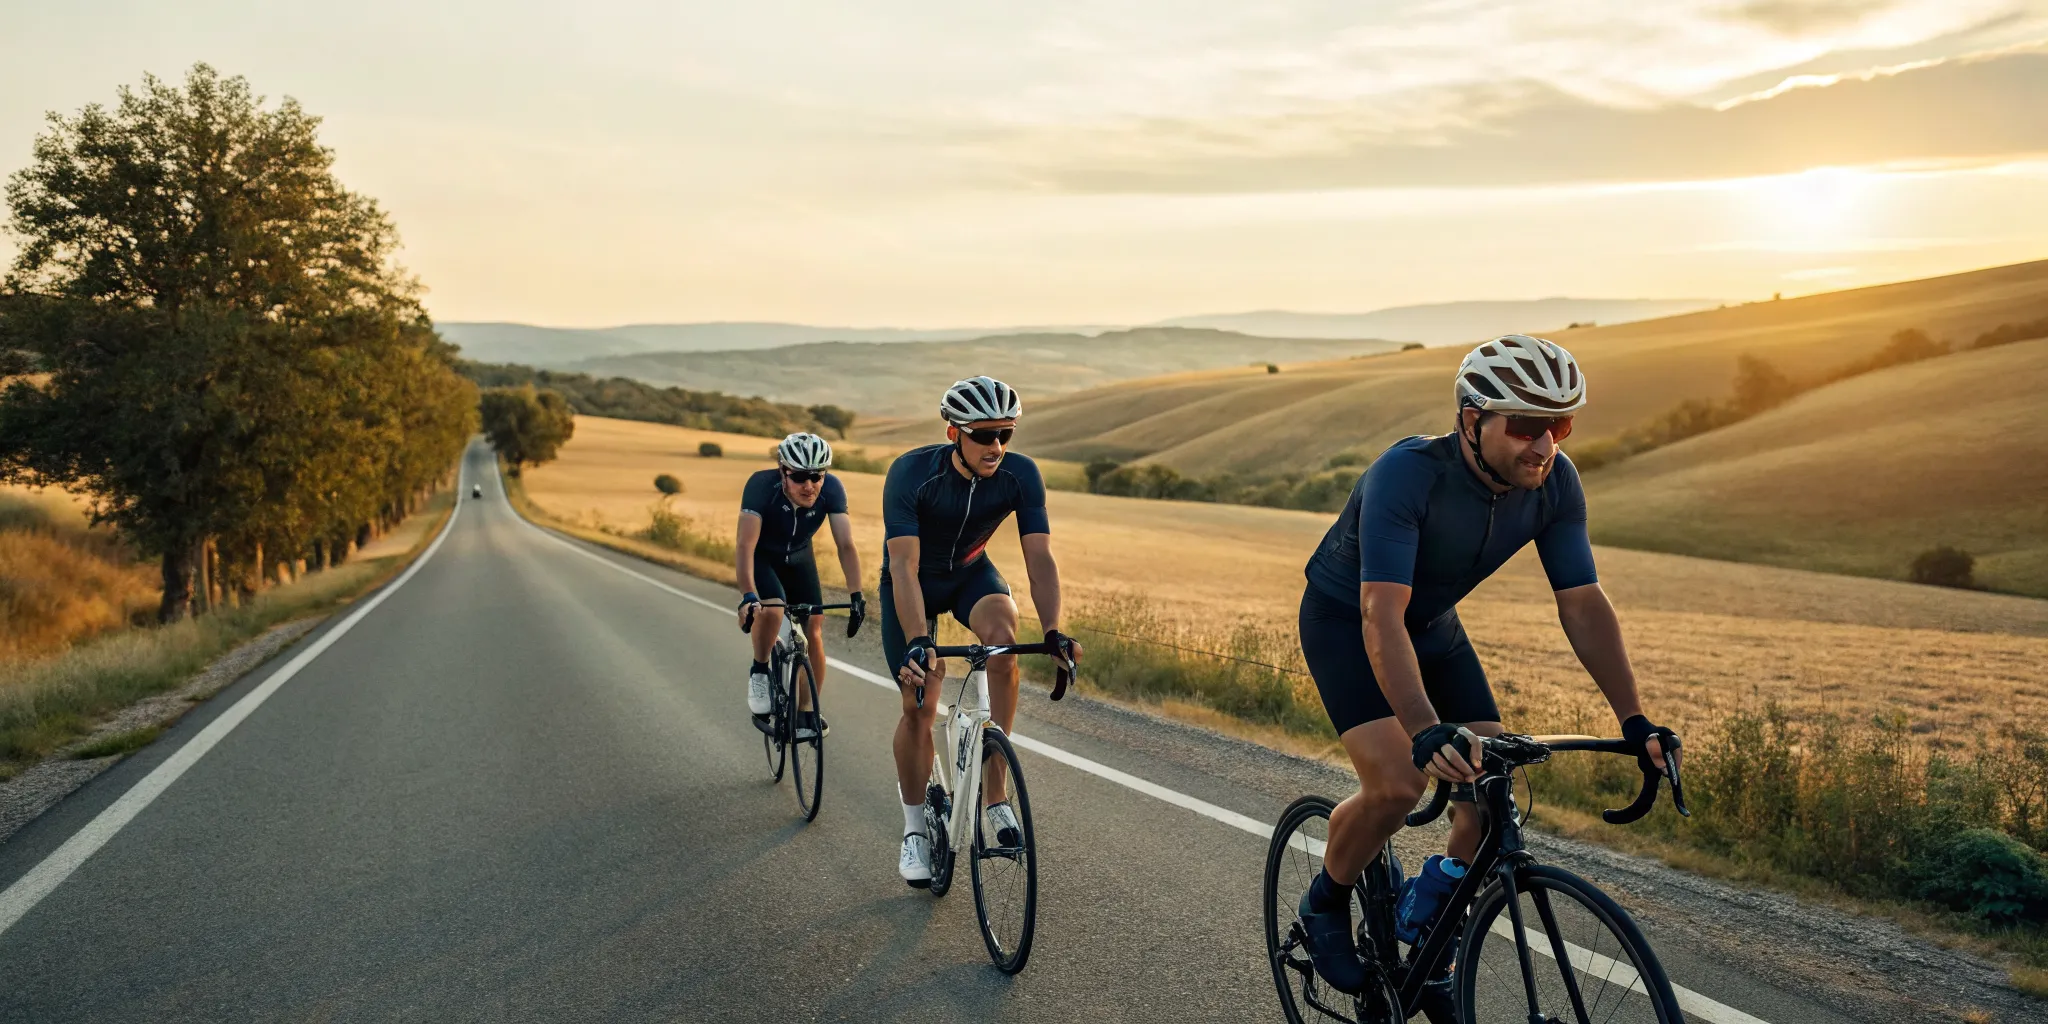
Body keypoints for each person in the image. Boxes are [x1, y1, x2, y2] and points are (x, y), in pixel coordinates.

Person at [1292, 335, 1676, 994]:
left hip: (1435, 632)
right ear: (1473, 419)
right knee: (1397, 784)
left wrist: (1635, 719)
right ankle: (1324, 901)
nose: (1544, 444)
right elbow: (1380, 616)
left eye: (1560, 424)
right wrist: (1423, 729)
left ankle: (1433, 944)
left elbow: (1582, 604)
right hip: (1347, 624)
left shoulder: (1555, 483)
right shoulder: (1409, 474)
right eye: (1527, 425)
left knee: (1490, 795)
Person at [882, 376, 1081, 887]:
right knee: (920, 701)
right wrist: (918, 640)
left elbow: (1039, 557)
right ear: (954, 433)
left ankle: (995, 796)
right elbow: (903, 567)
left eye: (1006, 435)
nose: (996, 446)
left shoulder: (1020, 476)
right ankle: (913, 831)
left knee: (1004, 640)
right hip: (914, 584)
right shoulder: (911, 474)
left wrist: (1055, 630)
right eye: (985, 434)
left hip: (972, 573)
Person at [736, 432, 866, 740]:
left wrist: (857, 595)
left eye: (816, 476)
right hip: (763, 557)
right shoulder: (760, 486)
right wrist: (748, 596)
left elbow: (845, 544)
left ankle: (808, 712)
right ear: (783, 471)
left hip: (799, 558)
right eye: (799, 477)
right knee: (773, 610)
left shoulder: (831, 490)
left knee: (815, 628)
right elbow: (744, 546)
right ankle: (759, 669)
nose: (809, 485)